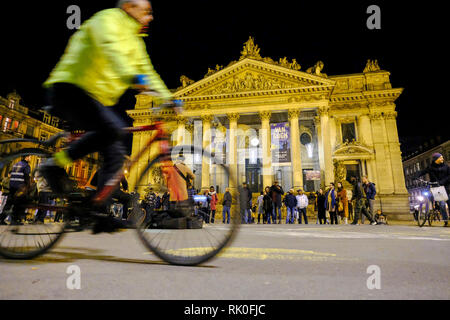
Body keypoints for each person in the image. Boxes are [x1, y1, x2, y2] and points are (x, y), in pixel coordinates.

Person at [40, 0, 172, 233]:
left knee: (116, 153)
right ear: (130, 7)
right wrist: (133, 77)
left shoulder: (136, 43)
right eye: (147, 11)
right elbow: (110, 51)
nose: (150, 17)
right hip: (70, 87)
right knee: (112, 130)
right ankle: (54, 164)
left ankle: (99, 211)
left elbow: (147, 71)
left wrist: (167, 97)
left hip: (95, 99)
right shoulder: (107, 19)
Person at [415, 153, 450, 227]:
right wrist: (416, 176)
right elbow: (423, 172)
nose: (442, 159)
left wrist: (442, 182)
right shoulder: (430, 167)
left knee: (449, 202)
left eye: (442, 157)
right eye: (441, 158)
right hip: (436, 188)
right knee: (442, 204)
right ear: (436, 159)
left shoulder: (446, 167)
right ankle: (446, 221)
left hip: (447, 187)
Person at [0, 156, 31, 225]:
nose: (30, 158)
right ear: (26, 157)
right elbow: (26, 177)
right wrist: (27, 187)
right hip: (20, 188)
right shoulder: (26, 166)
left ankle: (1, 219)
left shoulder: (15, 164)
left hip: (12, 187)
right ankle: (14, 220)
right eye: (30, 156)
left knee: (8, 204)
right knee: (18, 204)